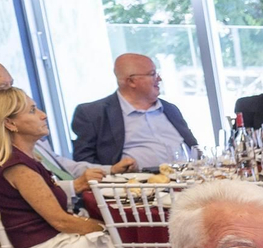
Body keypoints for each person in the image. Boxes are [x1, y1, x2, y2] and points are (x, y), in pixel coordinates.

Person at [0, 87, 118, 248]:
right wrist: (106, 228)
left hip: (53, 243)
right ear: (10, 124)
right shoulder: (18, 166)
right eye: (32, 110)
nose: (43, 115)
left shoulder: (25, 159)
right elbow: (61, 222)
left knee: (132, 243)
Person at [70, 52, 199, 171]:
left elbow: (195, 148)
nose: (159, 79)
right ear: (131, 81)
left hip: (188, 178)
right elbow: (85, 163)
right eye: (152, 74)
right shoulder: (93, 113)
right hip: (135, 189)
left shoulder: (170, 109)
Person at [0, 62, 100, 195]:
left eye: (11, 85)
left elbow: (58, 165)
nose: (11, 93)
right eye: (2, 88)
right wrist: (75, 185)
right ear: (9, 123)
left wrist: (110, 170)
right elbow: (36, 193)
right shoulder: (9, 153)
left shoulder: (27, 131)